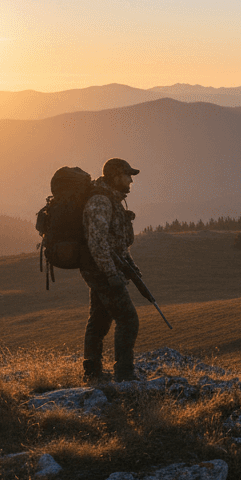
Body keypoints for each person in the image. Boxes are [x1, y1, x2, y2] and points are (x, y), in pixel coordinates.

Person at [80, 158, 141, 382]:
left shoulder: (111, 201)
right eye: (127, 175)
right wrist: (111, 274)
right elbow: (97, 242)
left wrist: (130, 265)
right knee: (128, 319)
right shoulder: (101, 202)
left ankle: (92, 372)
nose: (131, 180)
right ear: (116, 176)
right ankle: (124, 373)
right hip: (101, 270)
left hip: (104, 268)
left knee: (99, 319)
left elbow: (116, 241)